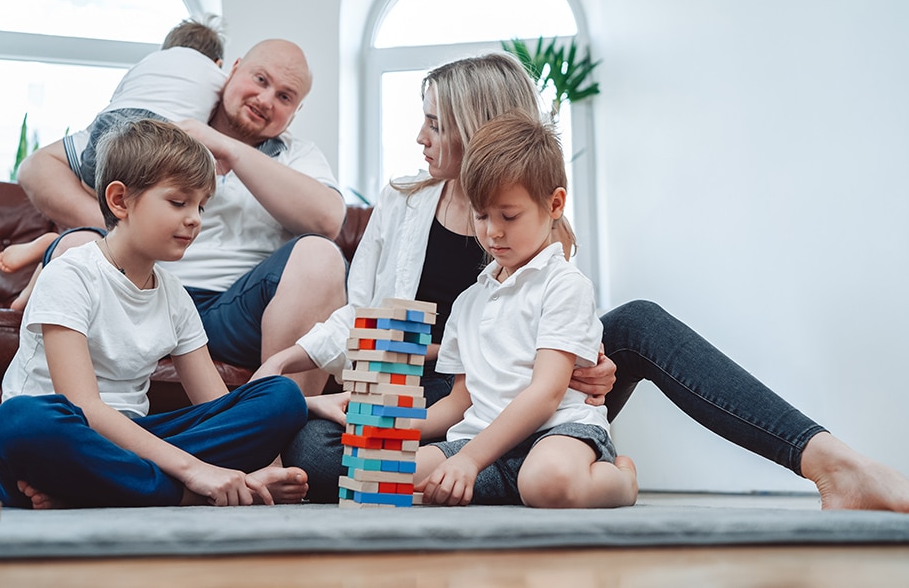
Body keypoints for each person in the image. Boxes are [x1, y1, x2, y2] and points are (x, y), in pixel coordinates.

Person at [256, 53, 909, 511]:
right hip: (448, 392)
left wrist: (588, 360)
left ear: (474, 123)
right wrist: (299, 353)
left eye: (434, 121)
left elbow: (557, 322)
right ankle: (528, 478)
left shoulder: (536, 210)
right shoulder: (402, 204)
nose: (419, 136)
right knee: (317, 450)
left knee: (641, 320)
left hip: (543, 392)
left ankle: (831, 461)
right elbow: (368, 315)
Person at [0, 119, 310, 509]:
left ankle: (91, 488)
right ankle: (183, 493)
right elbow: (84, 406)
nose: (195, 219)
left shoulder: (174, 295)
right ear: (120, 201)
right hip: (66, 432)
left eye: (200, 206)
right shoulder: (70, 274)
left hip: (130, 441)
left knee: (281, 397)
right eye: (178, 202)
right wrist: (194, 471)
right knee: (18, 422)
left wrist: (273, 455)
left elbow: (215, 404)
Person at [15, 39, 348, 395]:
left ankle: (285, 442)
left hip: (235, 312)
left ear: (295, 112)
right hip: (137, 292)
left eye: (285, 97)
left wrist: (226, 147)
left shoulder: (299, 155)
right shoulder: (163, 127)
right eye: (261, 80)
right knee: (79, 244)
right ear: (232, 70)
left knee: (320, 255)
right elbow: (37, 169)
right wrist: (122, 223)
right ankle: (72, 431)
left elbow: (328, 220)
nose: (266, 100)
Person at [412, 111, 637, 507]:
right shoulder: (468, 302)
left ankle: (621, 478)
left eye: (508, 216)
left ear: (554, 204)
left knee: (544, 481)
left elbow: (547, 393)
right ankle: (501, 484)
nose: (492, 232)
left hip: (558, 433)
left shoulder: (563, 284)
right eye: (481, 216)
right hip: (482, 439)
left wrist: (468, 460)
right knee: (401, 473)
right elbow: (459, 401)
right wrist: (398, 426)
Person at [0, 15, 230, 301]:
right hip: (158, 134)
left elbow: (118, 97)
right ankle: (56, 244)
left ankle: (54, 247)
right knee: (126, 223)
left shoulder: (145, 65)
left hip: (111, 128)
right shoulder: (218, 77)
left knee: (112, 214)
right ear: (218, 63)